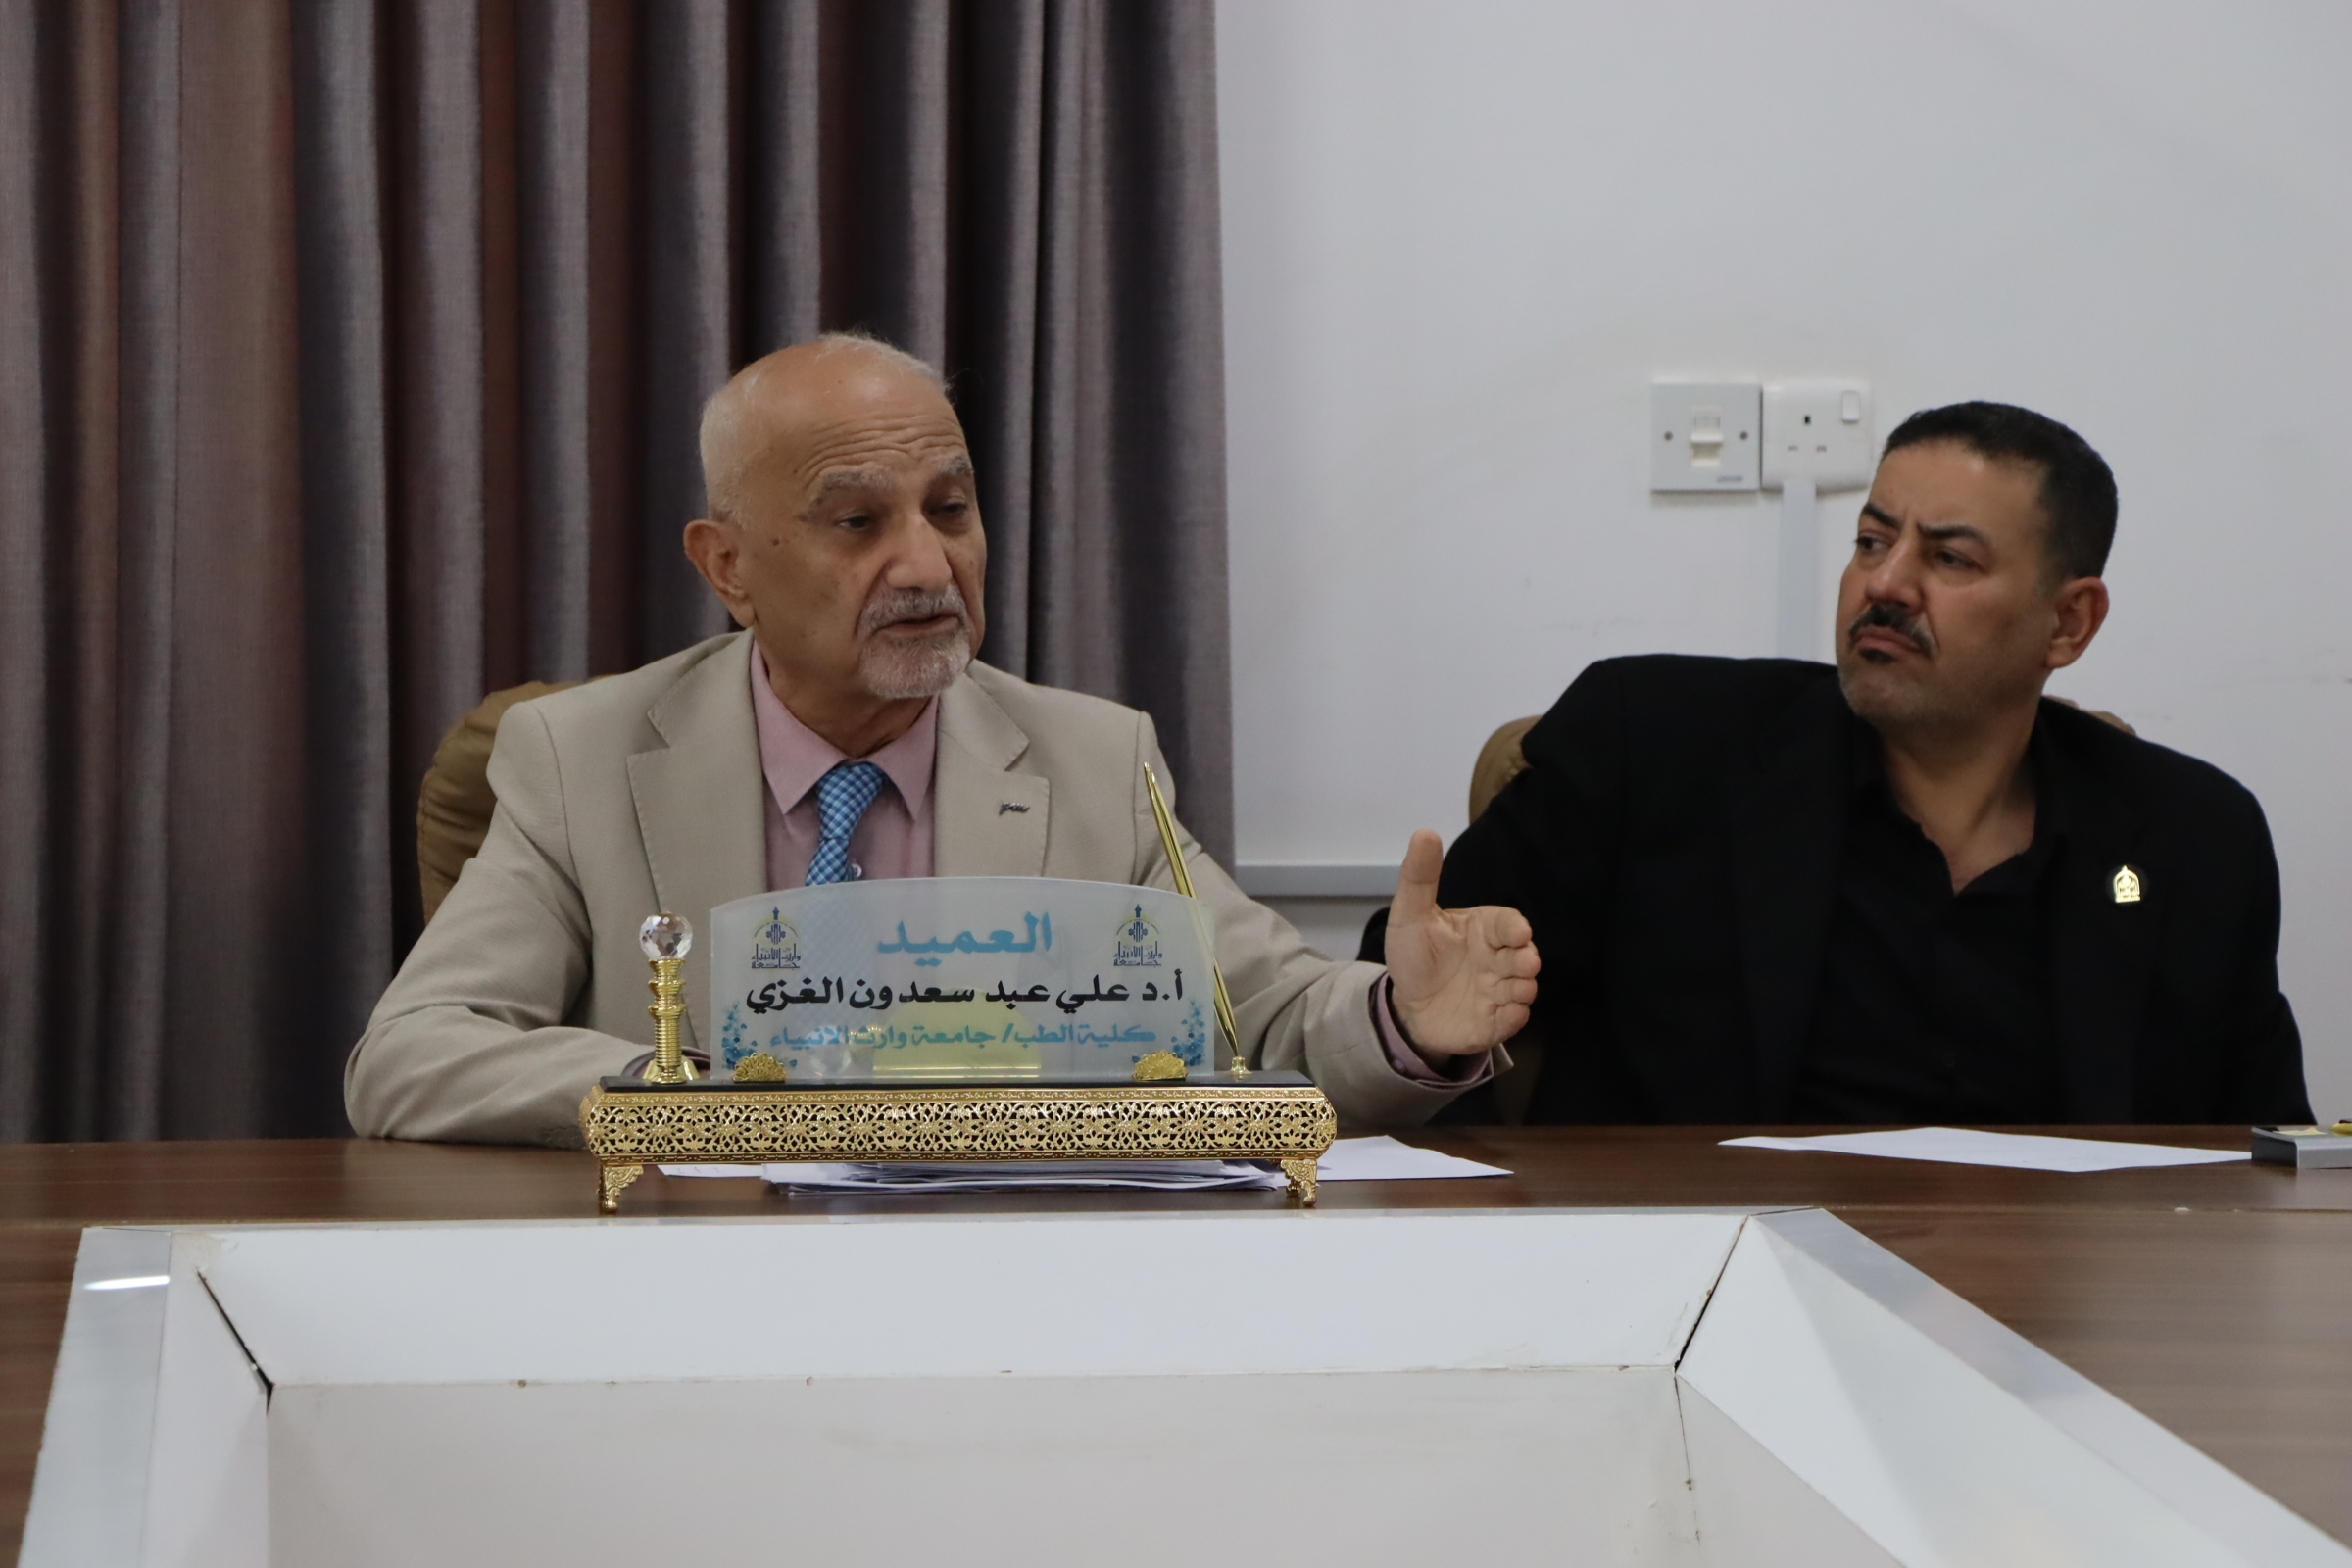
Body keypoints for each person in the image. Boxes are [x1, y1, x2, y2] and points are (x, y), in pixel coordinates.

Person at [348, 334, 1539, 1145]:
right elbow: (411, 1055)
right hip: (698, 1285)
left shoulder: (1093, 759)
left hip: (1012, 1284)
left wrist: (1403, 1020)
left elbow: (1268, 1019)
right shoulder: (577, 757)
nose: (926, 564)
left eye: (950, 509)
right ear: (728, 568)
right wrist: (709, 1099)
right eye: (857, 521)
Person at [1430, 401, 2309, 1126]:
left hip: (2052, 1275)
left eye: (1949, 557)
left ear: (2069, 622)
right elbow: (1424, 1011)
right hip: (1705, 1259)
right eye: (1871, 541)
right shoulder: (1652, 747)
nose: (1885, 583)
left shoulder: (2192, 838)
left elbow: (2268, 1154)